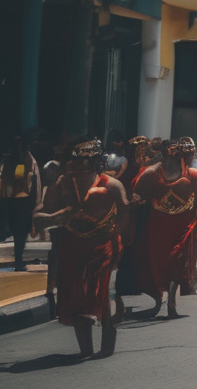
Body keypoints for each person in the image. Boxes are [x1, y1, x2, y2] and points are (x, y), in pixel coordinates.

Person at [33, 136, 129, 358]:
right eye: (74, 161)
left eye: (82, 161)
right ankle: (85, 350)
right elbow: (39, 217)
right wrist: (59, 216)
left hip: (105, 246)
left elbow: (125, 214)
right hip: (72, 247)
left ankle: (106, 348)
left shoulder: (112, 185)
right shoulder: (61, 185)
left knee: (106, 293)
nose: (75, 166)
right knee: (76, 294)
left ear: (95, 162)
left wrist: (122, 244)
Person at [131, 137, 197, 318]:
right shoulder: (151, 174)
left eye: (179, 156)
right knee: (157, 264)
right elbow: (137, 196)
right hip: (158, 226)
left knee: (179, 263)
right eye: (171, 156)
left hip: (183, 227)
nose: (175, 160)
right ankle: (159, 298)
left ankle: (172, 301)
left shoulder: (193, 175)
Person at [1, 136, 40, 271]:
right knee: (20, 234)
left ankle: (18, 260)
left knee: (16, 232)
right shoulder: (29, 160)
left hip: (11, 202)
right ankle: (18, 260)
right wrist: (36, 204)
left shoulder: (8, 162)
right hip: (24, 203)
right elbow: (35, 185)